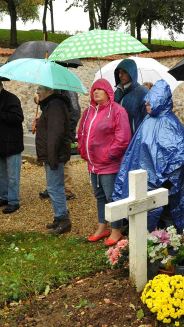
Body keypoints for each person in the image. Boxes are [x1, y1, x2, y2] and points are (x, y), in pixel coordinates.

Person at [113, 80, 184, 234]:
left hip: (165, 183)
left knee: (168, 215)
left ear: (159, 101)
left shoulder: (168, 124)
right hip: (148, 181)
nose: (146, 103)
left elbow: (178, 157)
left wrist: (165, 183)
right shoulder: (149, 121)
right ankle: (158, 246)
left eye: (150, 100)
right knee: (156, 216)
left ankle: (169, 248)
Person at [78, 79, 131, 245]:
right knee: (99, 196)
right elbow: (81, 133)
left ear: (109, 92)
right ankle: (102, 227)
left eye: (100, 89)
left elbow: (123, 138)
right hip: (93, 164)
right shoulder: (88, 112)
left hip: (109, 164)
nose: (96, 92)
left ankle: (116, 230)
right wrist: (82, 150)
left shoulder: (117, 111)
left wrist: (109, 155)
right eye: (94, 89)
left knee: (112, 197)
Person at [34, 86, 73, 235]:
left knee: (54, 188)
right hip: (53, 154)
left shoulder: (55, 105)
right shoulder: (51, 105)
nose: (37, 92)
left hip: (55, 154)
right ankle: (59, 217)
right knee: (54, 187)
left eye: (40, 89)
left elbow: (55, 134)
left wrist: (52, 158)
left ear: (50, 91)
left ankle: (64, 220)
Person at [0, 76, 24, 214]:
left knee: (13, 175)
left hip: (12, 143)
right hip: (0, 143)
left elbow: (18, 117)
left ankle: (14, 201)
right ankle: (4, 197)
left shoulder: (12, 99)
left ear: (1, 86)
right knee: (2, 173)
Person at [39, 90, 80, 201]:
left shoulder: (68, 90)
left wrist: (68, 130)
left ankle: (67, 190)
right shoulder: (54, 90)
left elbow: (75, 112)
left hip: (64, 131)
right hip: (53, 129)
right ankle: (53, 186)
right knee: (51, 158)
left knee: (64, 161)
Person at [114, 59, 149, 134]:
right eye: (119, 72)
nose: (120, 75)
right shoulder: (117, 93)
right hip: (118, 140)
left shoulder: (143, 92)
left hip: (135, 139)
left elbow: (147, 119)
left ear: (131, 73)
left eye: (124, 72)